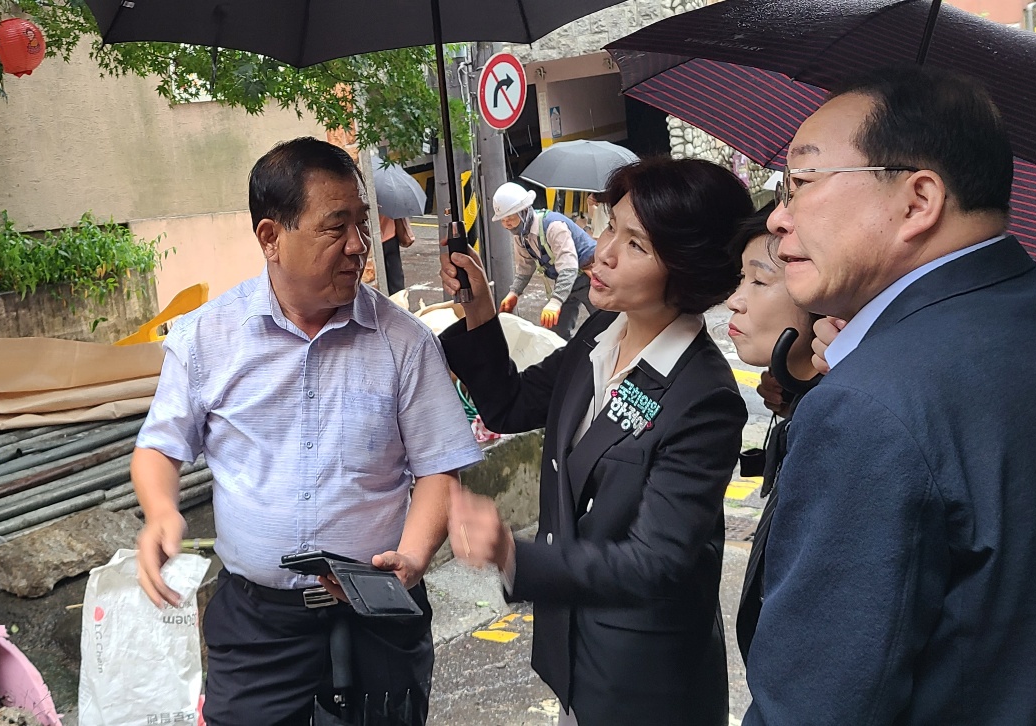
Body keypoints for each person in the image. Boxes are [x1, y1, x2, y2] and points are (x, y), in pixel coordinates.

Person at [744, 66, 1036, 725]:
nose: (778, 217)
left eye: (802, 182)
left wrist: (870, 374)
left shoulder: (868, 404)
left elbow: (814, 705)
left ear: (918, 201)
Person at [130, 137, 484, 726]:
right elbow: (159, 448)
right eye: (335, 227)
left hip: (380, 614)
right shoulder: (207, 337)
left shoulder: (404, 342)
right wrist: (161, 511)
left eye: (361, 223)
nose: (358, 245)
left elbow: (438, 468)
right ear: (271, 237)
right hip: (258, 627)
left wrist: (414, 556)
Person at [441, 157, 753, 726]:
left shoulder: (704, 396)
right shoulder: (600, 333)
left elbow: (657, 561)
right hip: (573, 653)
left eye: (636, 245)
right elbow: (510, 404)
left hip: (645, 681)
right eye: (612, 227)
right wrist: (479, 306)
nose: (603, 252)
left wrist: (512, 554)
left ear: (686, 268)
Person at [719, 201, 819, 662]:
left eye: (759, 281)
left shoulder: (842, 428)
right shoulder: (804, 406)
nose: (735, 300)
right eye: (741, 279)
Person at [490, 181, 597, 340]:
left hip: (590, 277)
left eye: (510, 218)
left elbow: (568, 268)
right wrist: (514, 292)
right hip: (565, 282)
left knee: (605, 326)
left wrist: (556, 301)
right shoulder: (521, 236)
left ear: (524, 211)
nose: (507, 224)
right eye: (503, 220)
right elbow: (525, 268)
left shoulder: (554, 226)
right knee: (555, 332)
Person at [377, 213, 415, 294]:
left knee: (376, 283)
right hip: (391, 236)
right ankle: (398, 300)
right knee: (396, 282)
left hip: (377, 240)